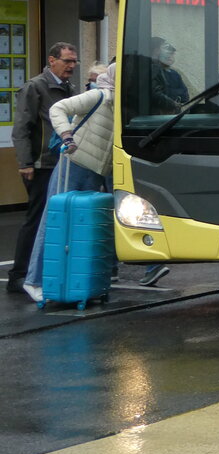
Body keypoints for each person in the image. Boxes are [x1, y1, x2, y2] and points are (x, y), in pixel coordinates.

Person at [23, 63, 127, 301]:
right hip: (74, 163)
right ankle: (34, 280)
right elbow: (58, 108)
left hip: (97, 170)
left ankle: (70, 281)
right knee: (54, 219)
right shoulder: (99, 95)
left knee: (81, 228)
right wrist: (66, 135)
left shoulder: (122, 104)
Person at [8, 42, 77, 294]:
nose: (71, 66)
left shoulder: (68, 88)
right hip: (40, 164)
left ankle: (44, 272)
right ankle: (18, 275)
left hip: (62, 162)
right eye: (67, 61)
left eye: (74, 61)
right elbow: (21, 129)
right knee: (36, 219)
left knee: (55, 219)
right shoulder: (35, 87)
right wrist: (25, 163)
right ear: (52, 61)